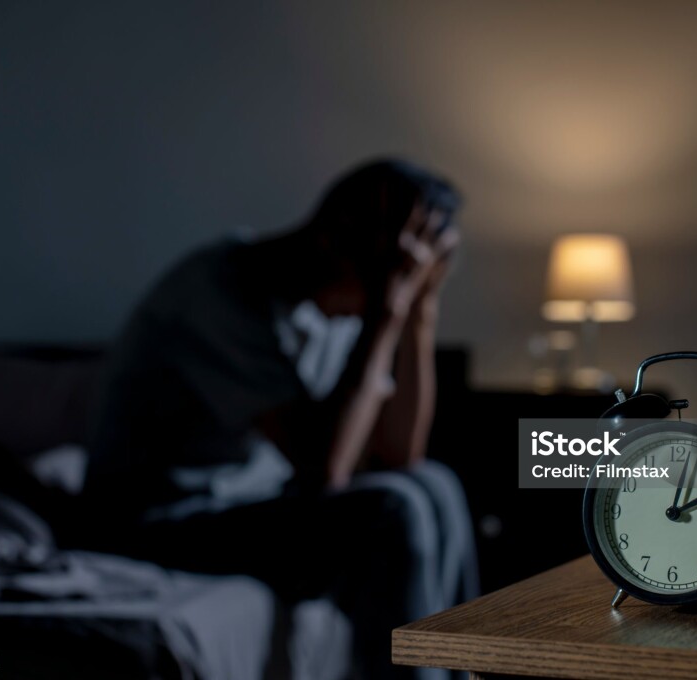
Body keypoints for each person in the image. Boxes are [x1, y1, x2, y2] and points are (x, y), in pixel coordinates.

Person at [82, 158, 479, 679]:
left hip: (246, 505)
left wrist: (420, 313)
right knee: (391, 510)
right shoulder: (220, 290)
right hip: (154, 523)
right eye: (404, 269)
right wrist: (387, 313)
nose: (406, 282)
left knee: (435, 484)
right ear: (342, 240)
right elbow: (324, 469)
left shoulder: (337, 305)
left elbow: (400, 455)